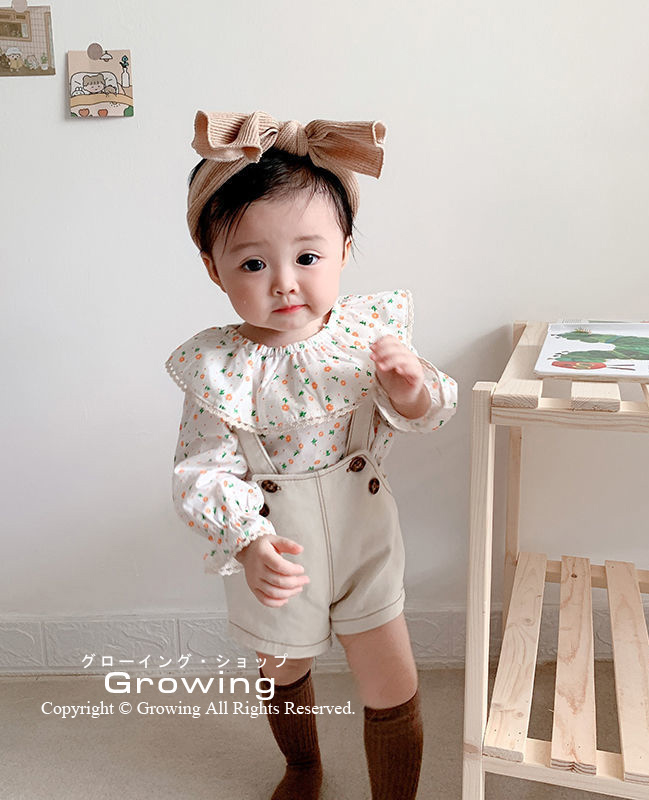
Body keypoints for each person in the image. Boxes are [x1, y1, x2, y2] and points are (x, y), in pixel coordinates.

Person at [166, 110, 458, 800]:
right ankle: (301, 766)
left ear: (344, 249)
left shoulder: (364, 339)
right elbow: (202, 471)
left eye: (307, 257)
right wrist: (248, 543)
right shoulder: (220, 369)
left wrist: (409, 389)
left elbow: (429, 411)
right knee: (282, 667)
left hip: (364, 538)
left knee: (392, 676)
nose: (284, 282)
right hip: (278, 548)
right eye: (253, 263)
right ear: (213, 268)